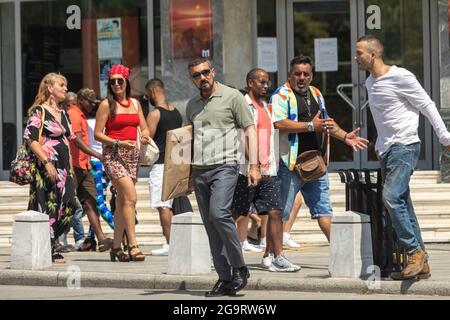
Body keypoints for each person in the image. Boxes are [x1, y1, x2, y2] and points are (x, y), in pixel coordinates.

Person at [355, 35, 450, 280]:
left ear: (373, 54)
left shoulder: (401, 76)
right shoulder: (370, 83)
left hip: (405, 146)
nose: (356, 58)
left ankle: (413, 252)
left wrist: (444, 137)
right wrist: (379, 143)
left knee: (390, 196)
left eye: (359, 53)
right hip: (387, 150)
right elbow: (382, 117)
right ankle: (423, 263)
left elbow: (427, 104)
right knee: (403, 203)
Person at [271, 55, 368, 243]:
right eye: (297, 74)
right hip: (290, 165)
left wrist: (345, 136)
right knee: (281, 214)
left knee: (324, 212)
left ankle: (341, 255)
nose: (301, 78)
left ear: (311, 76)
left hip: (316, 164)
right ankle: (274, 256)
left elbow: (325, 123)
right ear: (290, 75)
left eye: (305, 74)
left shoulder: (315, 93)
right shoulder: (280, 95)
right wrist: (309, 126)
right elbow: (278, 123)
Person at [186, 58, 261, 297]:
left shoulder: (232, 96)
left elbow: (250, 129)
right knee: (210, 225)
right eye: (197, 75)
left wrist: (254, 165)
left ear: (213, 72)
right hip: (199, 171)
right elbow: (186, 140)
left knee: (219, 213)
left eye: (205, 72)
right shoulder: (192, 105)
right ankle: (224, 277)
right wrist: (184, 175)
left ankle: (240, 267)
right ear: (192, 79)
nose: (202, 78)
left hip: (225, 167)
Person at [233, 68, 300, 272]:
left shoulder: (265, 107)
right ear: (250, 83)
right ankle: (226, 253)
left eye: (267, 82)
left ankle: (276, 256)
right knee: (238, 214)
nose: (266, 86)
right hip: (248, 170)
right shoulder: (243, 105)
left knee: (275, 211)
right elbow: (242, 138)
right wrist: (253, 163)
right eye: (261, 82)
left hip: (268, 170)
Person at [94, 64, 150, 262]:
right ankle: (133, 245)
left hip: (132, 155)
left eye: (120, 80)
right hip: (113, 155)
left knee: (122, 202)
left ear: (126, 82)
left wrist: (144, 136)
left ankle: (116, 247)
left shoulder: (135, 103)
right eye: (112, 81)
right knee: (131, 197)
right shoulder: (106, 105)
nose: (116, 84)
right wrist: (118, 142)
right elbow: (98, 134)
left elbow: (144, 127)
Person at [24, 72, 78, 263]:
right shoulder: (39, 111)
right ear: (50, 89)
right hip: (46, 166)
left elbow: (68, 141)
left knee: (70, 203)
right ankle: (50, 246)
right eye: (61, 85)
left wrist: (70, 169)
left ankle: (52, 240)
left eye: (66, 85)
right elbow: (30, 138)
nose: (65, 88)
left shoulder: (63, 113)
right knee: (47, 205)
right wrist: (47, 162)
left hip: (64, 169)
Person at [68, 88, 113, 253]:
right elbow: (77, 141)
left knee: (91, 202)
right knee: (68, 204)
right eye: (89, 102)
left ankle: (101, 240)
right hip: (77, 165)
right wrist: (97, 155)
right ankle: (54, 240)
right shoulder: (73, 114)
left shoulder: (83, 116)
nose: (91, 106)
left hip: (86, 165)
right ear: (80, 100)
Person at [145, 78, 184, 256]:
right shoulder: (176, 112)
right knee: (171, 206)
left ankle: (170, 244)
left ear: (153, 92)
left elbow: (147, 138)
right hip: (175, 164)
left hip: (160, 164)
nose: (148, 98)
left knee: (163, 206)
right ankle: (175, 242)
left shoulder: (154, 114)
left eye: (148, 95)